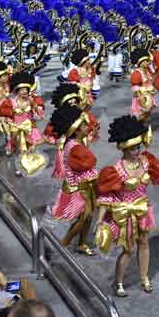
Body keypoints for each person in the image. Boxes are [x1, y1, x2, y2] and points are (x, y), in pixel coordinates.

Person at [95, 115, 159, 296]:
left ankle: (144, 277)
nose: (137, 151)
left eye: (138, 147)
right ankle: (118, 282)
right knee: (128, 250)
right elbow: (107, 196)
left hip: (143, 209)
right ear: (123, 149)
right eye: (132, 149)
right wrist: (99, 220)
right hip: (126, 214)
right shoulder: (115, 170)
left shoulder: (147, 161)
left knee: (144, 244)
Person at [48, 104, 98, 256]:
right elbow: (88, 163)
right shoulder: (74, 148)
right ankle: (64, 243)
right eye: (83, 125)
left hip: (85, 185)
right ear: (76, 130)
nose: (86, 126)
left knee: (88, 217)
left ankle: (82, 244)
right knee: (84, 218)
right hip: (77, 187)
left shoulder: (78, 142)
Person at [0, 71, 46, 177]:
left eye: (26, 89)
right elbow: (5, 116)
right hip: (16, 129)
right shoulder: (11, 102)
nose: (24, 91)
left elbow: (38, 112)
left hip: (30, 127)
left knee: (30, 147)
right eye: (22, 90)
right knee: (18, 150)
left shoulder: (31, 100)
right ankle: (18, 167)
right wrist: (9, 124)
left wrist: (39, 110)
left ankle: (28, 164)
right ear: (17, 91)